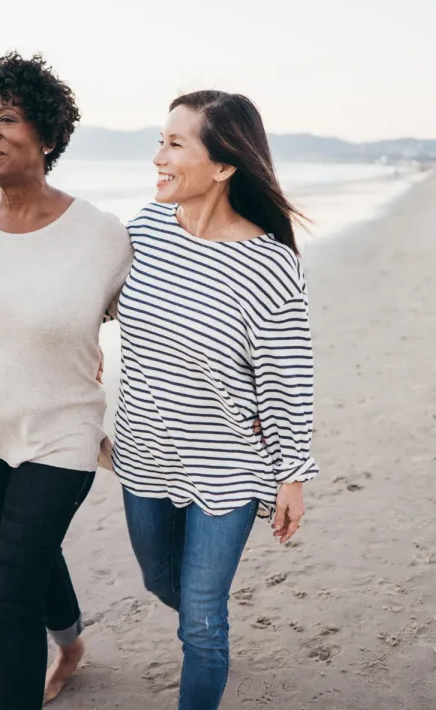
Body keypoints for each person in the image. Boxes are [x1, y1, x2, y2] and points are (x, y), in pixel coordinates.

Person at [0, 47, 132, 709]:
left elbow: (152, 327)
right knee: (33, 554)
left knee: (10, 585)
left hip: (63, 433)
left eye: (7, 118)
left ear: (46, 134)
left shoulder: (101, 234)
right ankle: (71, 642)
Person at [113, 91, 317, 710]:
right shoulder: (143, 230)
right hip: (144, 453)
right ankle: (209, 634)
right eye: (160, 140)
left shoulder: (269, 265)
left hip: (228, 467)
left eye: (175, 144)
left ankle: (209, 647)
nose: (158, 157)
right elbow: (92, 302)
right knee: (159, 580)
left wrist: (293, 476)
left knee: (202, 620)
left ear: (224, 166)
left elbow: (289, 381)